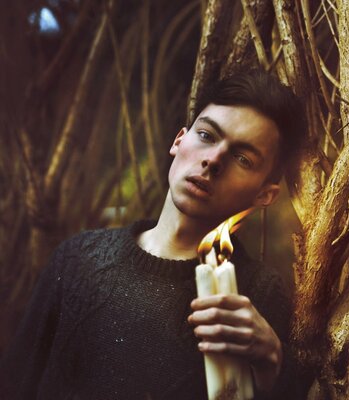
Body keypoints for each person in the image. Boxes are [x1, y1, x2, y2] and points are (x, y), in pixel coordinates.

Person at [0, 70, 306, 399]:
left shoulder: (258, 295)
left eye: (243, 158)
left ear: (265, 195)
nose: (214, 159)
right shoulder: (78, 259)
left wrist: (273, 363)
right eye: (206, 136)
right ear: (179, 141)